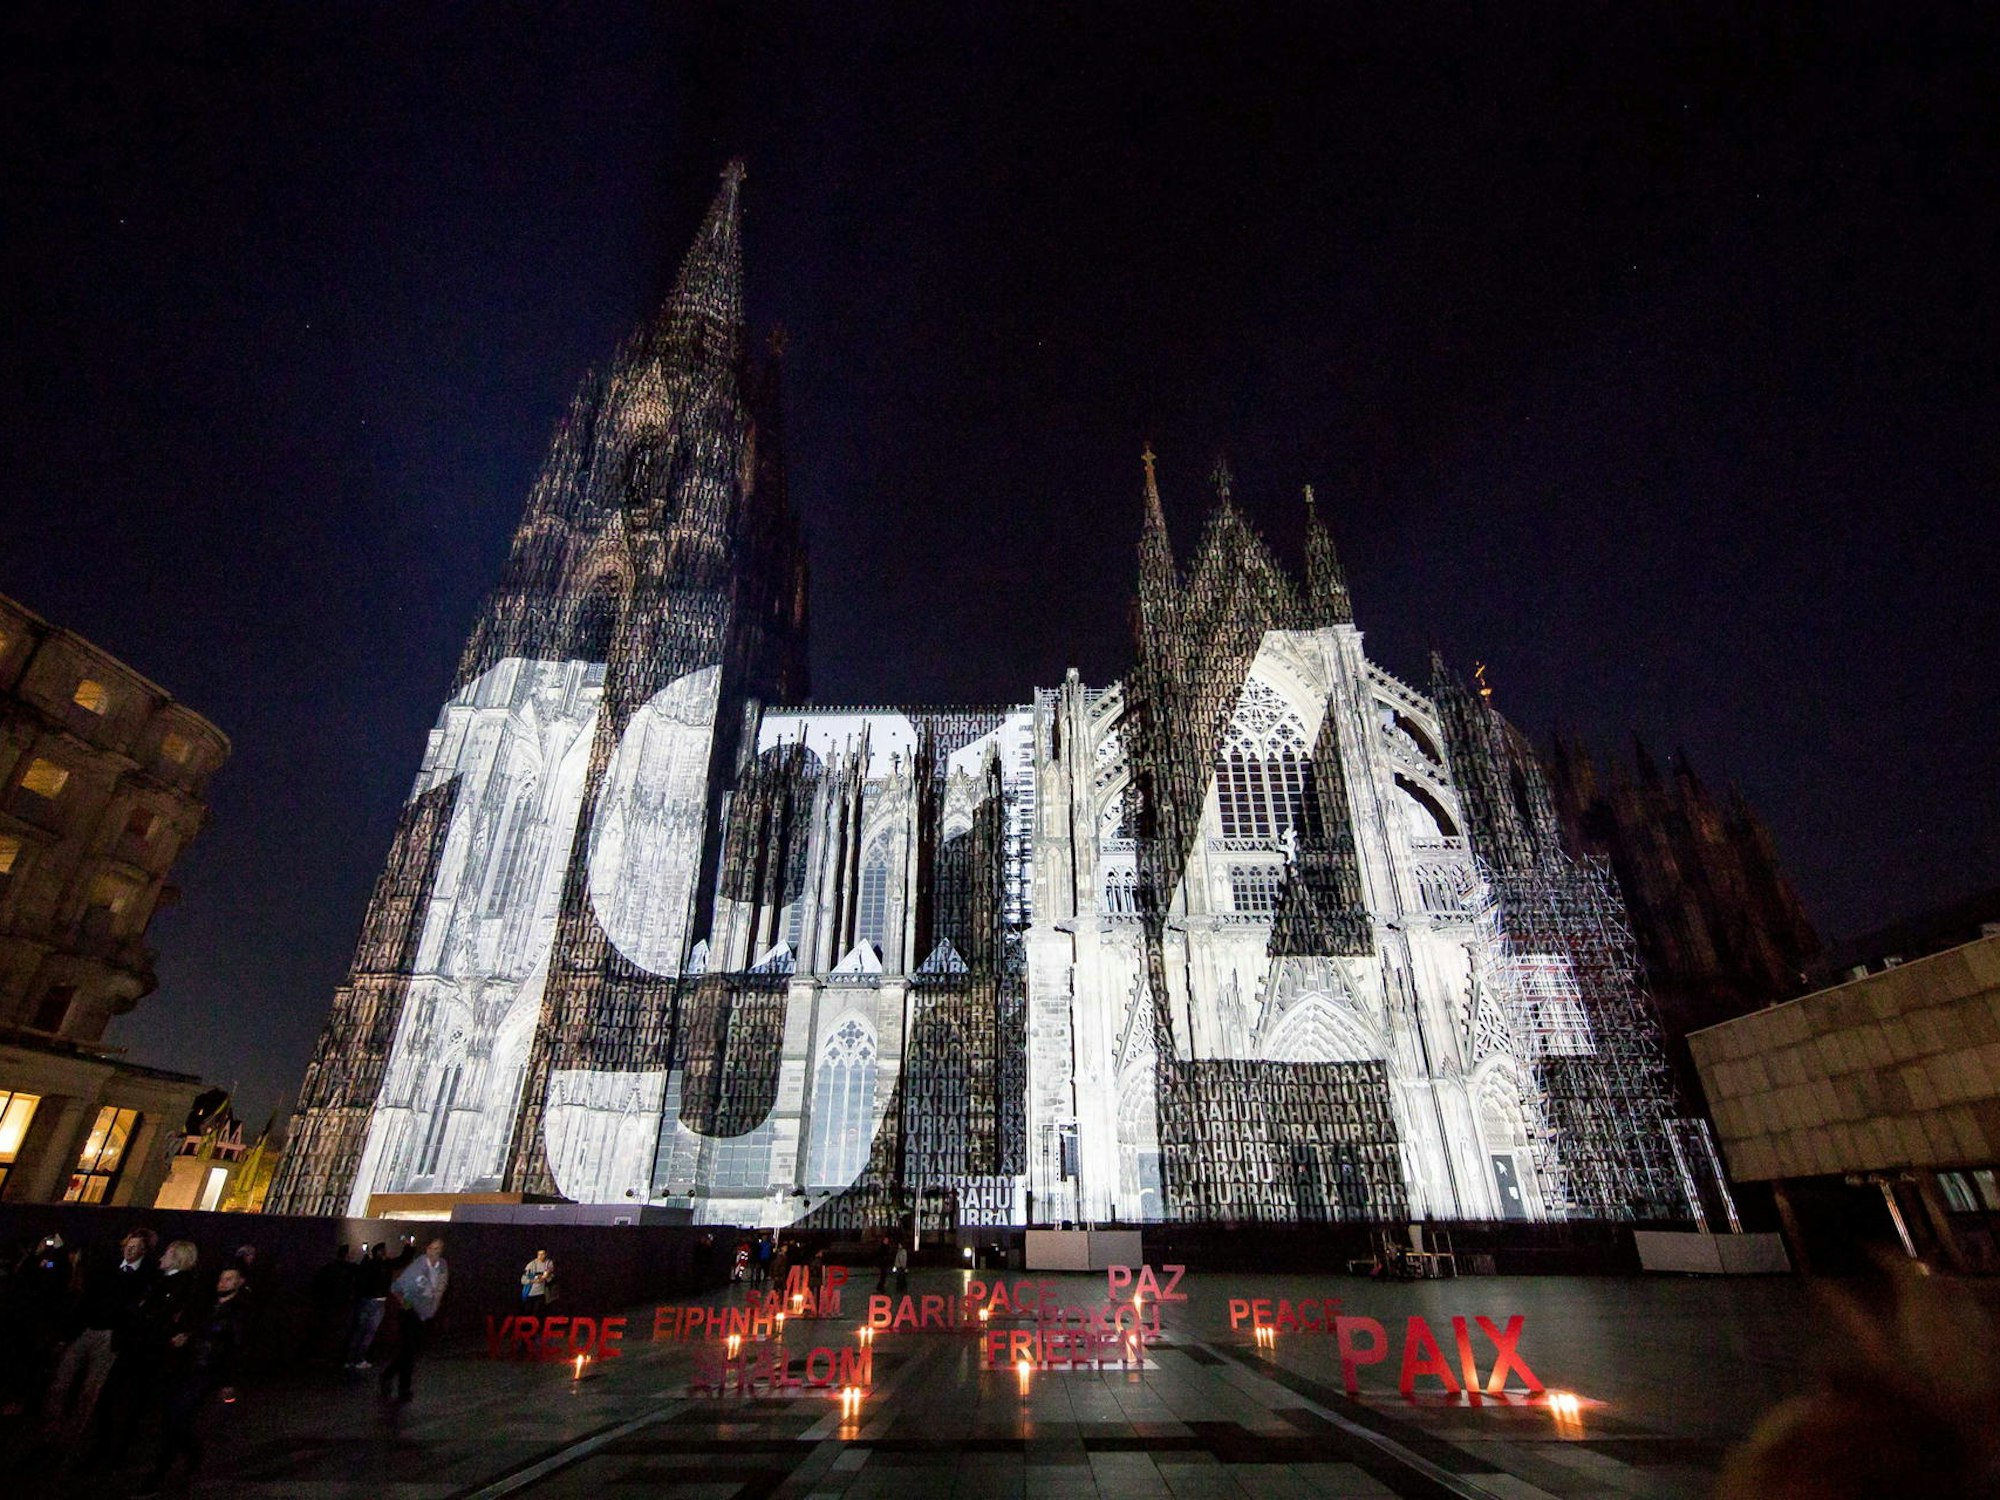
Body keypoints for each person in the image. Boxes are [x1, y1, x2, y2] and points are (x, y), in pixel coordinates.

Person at [134, 1265, 247, 1497]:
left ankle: (158, 1473)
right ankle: (191, 1452)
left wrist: (228, 1381)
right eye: (222, 1277)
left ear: (240, 1282)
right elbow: (196, 1329)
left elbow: (235, 1348)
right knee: (172, 1418)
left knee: (177, 1417)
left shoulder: (238, 1312)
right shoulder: (207, 1305)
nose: (223, 1282)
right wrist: (185, 1336)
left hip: (207, 1372)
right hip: (185, 1367)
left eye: (229, 1279)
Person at [41, 1226, 157, 1451]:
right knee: (61, 1383)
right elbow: (88, 1299)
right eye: (129, 1246)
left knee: (90, 1390)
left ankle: (71, 1440)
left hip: (110, 1336)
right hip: (88, 1329)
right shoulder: (108, 1268)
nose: (130, 1251)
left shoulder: (144, 1277)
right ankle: (51, 1433)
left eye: (136, 1248)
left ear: (144, 1251)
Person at [101, 1240, 203, 1464]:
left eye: (167, 1253)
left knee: (132, 1403)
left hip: (150, 1351)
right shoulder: (158, 1280)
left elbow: (175, 1316)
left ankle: (116, 1451)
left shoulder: (183, 1285)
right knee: (114, 1398)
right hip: (136, 1346)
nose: (161, 1257)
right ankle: (108, 1447)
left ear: (177, 1257)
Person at [380, 1238, 448, 1403]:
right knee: (408, 1349)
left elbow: (440, 1287)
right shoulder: (418, 1267)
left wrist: (432, 1308)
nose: (434, 1252)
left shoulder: (441, 1266)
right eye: (432, 1248)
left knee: (410, 1350)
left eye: (437, 1249)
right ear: (427, 1249)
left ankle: (393, 1378)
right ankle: (400, 1384)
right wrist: (407, 1303)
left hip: (423, 1312)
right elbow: (399, 1287)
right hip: (410, 1312)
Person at [343, 1243, 392, 1370]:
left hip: (365, 1301)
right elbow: (399, 1261)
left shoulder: (366, 1265)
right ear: (380, 1252)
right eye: (384, 1251)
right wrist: (409, 1248)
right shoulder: (382, 1266)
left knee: (359, 1331)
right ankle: (359, 1359)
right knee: (369, 1332)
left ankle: (349, 1360)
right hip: (377, 1301)